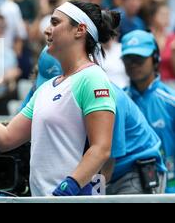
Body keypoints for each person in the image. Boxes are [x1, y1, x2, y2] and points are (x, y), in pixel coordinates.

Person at [0, 0, 119, 196]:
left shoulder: (93, 78)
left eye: (55, 23)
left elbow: (101, 148)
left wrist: (67, 191)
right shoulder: (46, 89)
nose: (47, 30)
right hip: (42, 199)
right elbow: (5, 138)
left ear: (80, 30)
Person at [24, 47, 167, 195]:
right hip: (95, 171)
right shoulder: (42, 90)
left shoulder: (106, 98)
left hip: (132, 170)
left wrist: (74, 190)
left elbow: (106, 162)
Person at [121, 30, 175, 193]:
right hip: (128, 189)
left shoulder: (170, 101)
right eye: (128, 59)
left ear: (155, 59)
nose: (133, 64)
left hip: (170, 190)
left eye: (139, 58)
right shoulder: (119, 101)